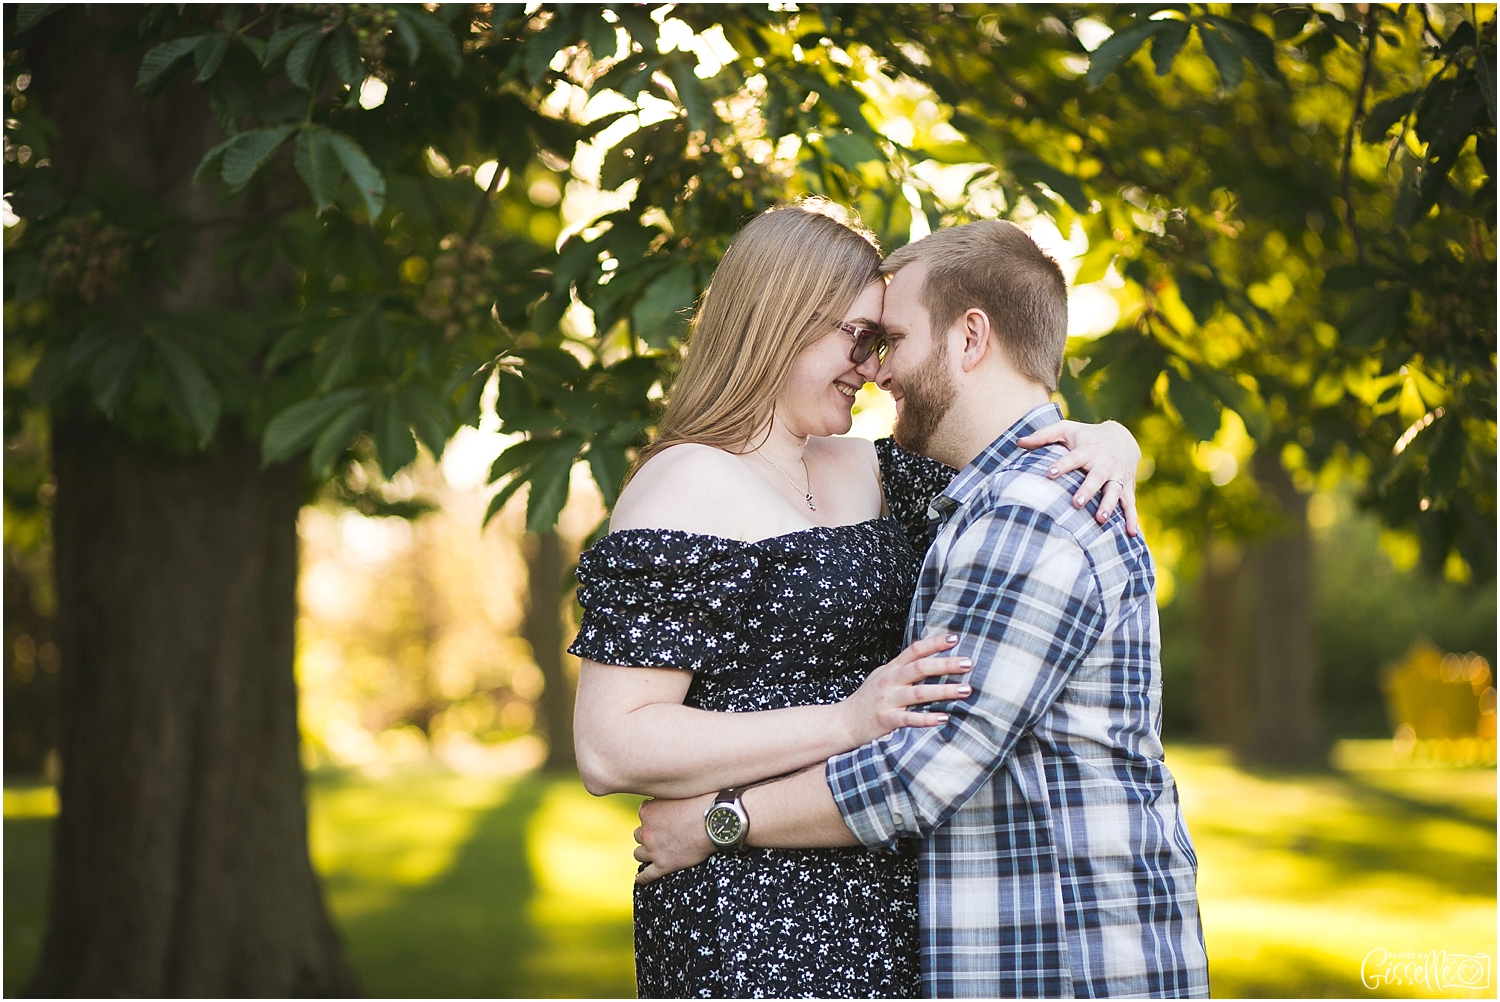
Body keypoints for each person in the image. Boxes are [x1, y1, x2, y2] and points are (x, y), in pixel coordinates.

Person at [569, 202, 1144, 999]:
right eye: (857, 337)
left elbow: (1010, 467)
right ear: (779, 322)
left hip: (894, 900)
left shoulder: (868, 470)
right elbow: (609, 747)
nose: (871, 367)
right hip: (753, 911)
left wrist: (1111, 439)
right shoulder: (684, 482)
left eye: (883, 341)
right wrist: (843, 722)